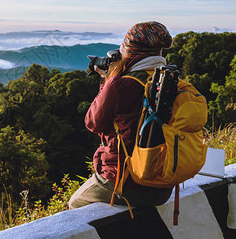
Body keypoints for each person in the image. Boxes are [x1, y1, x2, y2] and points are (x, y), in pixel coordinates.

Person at [69, 21, 174, 209]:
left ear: (130, 51)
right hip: (163, 185)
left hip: (126, 182)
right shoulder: (167, 80)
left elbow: (93, 122)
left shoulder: (121, 84)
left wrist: (107, 80)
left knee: (76, 203)